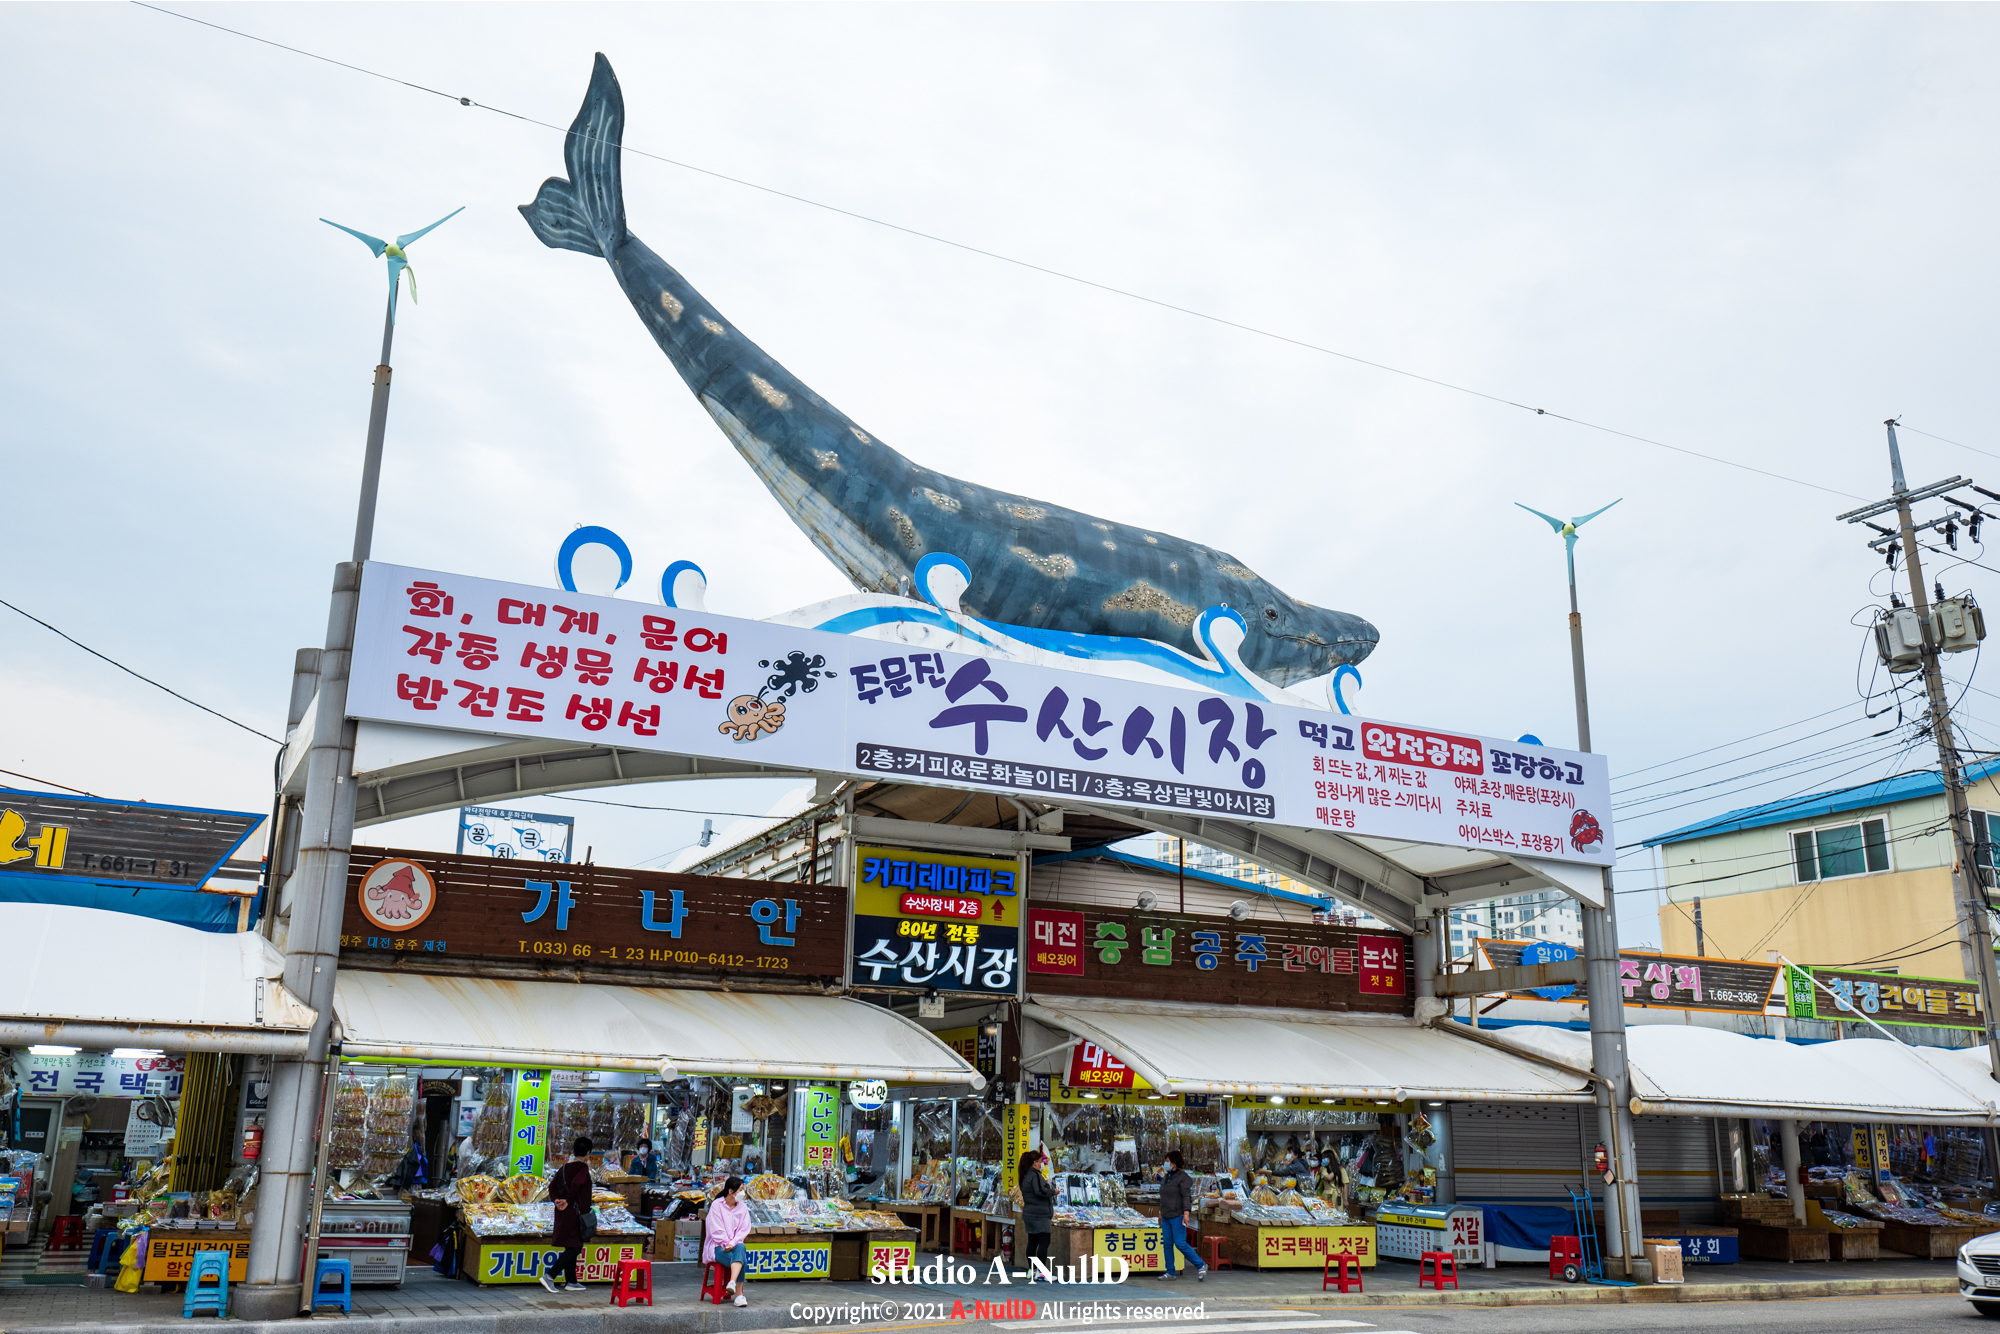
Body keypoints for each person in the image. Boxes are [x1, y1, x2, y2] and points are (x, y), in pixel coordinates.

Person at [541, 1136, 597, 1293]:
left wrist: (556, 1200)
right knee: (576, 1247)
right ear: (588, 1153)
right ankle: (550, 1276)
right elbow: (577, 1184)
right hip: (575, 1213)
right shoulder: (582, 1168)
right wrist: (568, 1200)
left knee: (571, 1245)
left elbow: (551, 1186)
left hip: (563, 1212)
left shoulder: (564, 1168)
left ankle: (571, 1281)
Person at [1156, 1150, 1207, 1281]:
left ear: (1174, 1163)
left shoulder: (1183, 1178)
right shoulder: (1166, 1177)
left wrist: (1186, 1213)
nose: (1165, 1163)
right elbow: (1163, 1197)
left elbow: (1186, 1197)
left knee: (1180, 1243)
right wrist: (1160, 1213)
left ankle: (1200, 1265)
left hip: (1177, 1215)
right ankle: (1170, 1272)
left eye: (1168, 1161)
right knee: (1167, 1244)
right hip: (1166, 1216)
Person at [706, 1174, 752, 1306]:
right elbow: (716, 1230)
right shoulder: (717, 1205)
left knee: (741, 1246)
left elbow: (743, 1230)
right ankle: (739, 1295)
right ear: (731, 1191)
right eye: (740, 1190)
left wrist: (732, 1244)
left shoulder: (742, 1207)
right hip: (718, 1247)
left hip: (735, 1246)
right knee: (742, 1260)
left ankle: (732, 1282)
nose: (742, 1193)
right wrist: (727, 1243)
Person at [1018, 1149, 1054, 1278]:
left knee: (1032, 1242)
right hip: (1039, 1214)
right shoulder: (1034, 1175)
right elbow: (1040, 1191)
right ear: (1034, 1163)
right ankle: (1041, 1272)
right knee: (1044, 1242)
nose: (1041, 1164)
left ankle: (1032, 1271)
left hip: (1030, 1214)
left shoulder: (1026, 1175)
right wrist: (1053, 1192)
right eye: (1040, 1161)